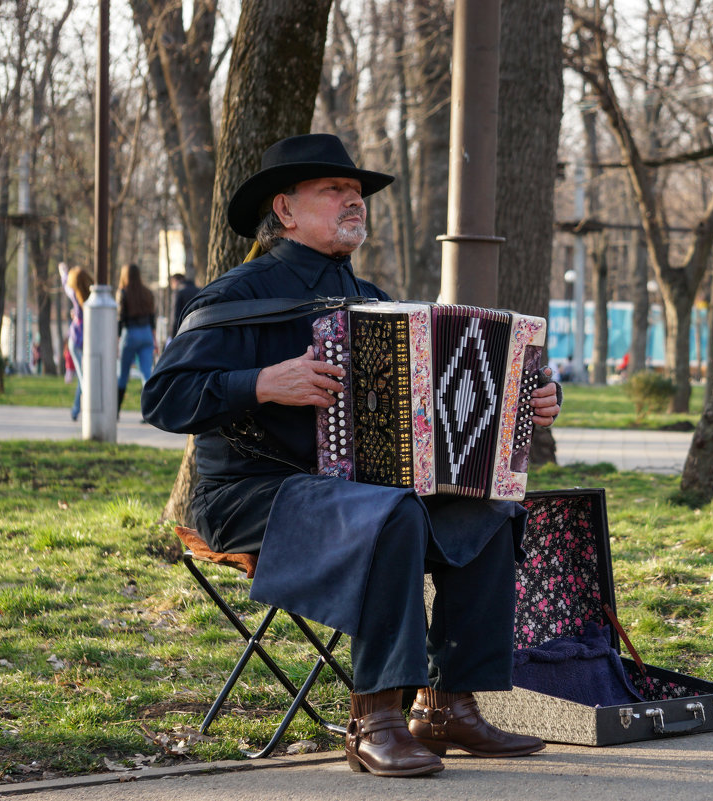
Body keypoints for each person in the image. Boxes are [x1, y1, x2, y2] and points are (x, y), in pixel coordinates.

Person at [142, 134, 562, 779]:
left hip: (356, 492)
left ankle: (446, 703)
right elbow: (163, 399)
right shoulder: (235, 296)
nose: (353, 201)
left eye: (357, 193)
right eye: (334, 190)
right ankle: (376, 719)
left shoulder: (372, 299)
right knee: (387, 514)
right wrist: (259, 383)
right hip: (248, 494)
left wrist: (523, 399)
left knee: (489, 504)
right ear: (284, 210)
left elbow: (441, 395)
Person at [116, 262, 157, 417]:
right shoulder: (147, 293)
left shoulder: (123, 293)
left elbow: (120, 318)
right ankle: (149, 412)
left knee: (123, 374)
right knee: (146, 374)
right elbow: (152, 317)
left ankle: (116, 411)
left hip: (130, 333)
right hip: (146, 333)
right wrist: (153, 338)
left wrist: (117, 339)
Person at [62, 265, 94, 422]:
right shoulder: (91, 296)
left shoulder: (75, 295)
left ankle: (79, 409)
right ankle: (77, 409)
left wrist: (63, 273)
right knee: (84, 377)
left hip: (75, 341)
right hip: (88, 339)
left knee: (83, 378)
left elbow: (66, 286)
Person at [168, 272, 200, 343]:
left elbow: (175, 317)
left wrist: (173, 336)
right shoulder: (199, 290)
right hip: (199, 331)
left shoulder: (178, 292)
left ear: (175, 281)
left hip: (184, 332)